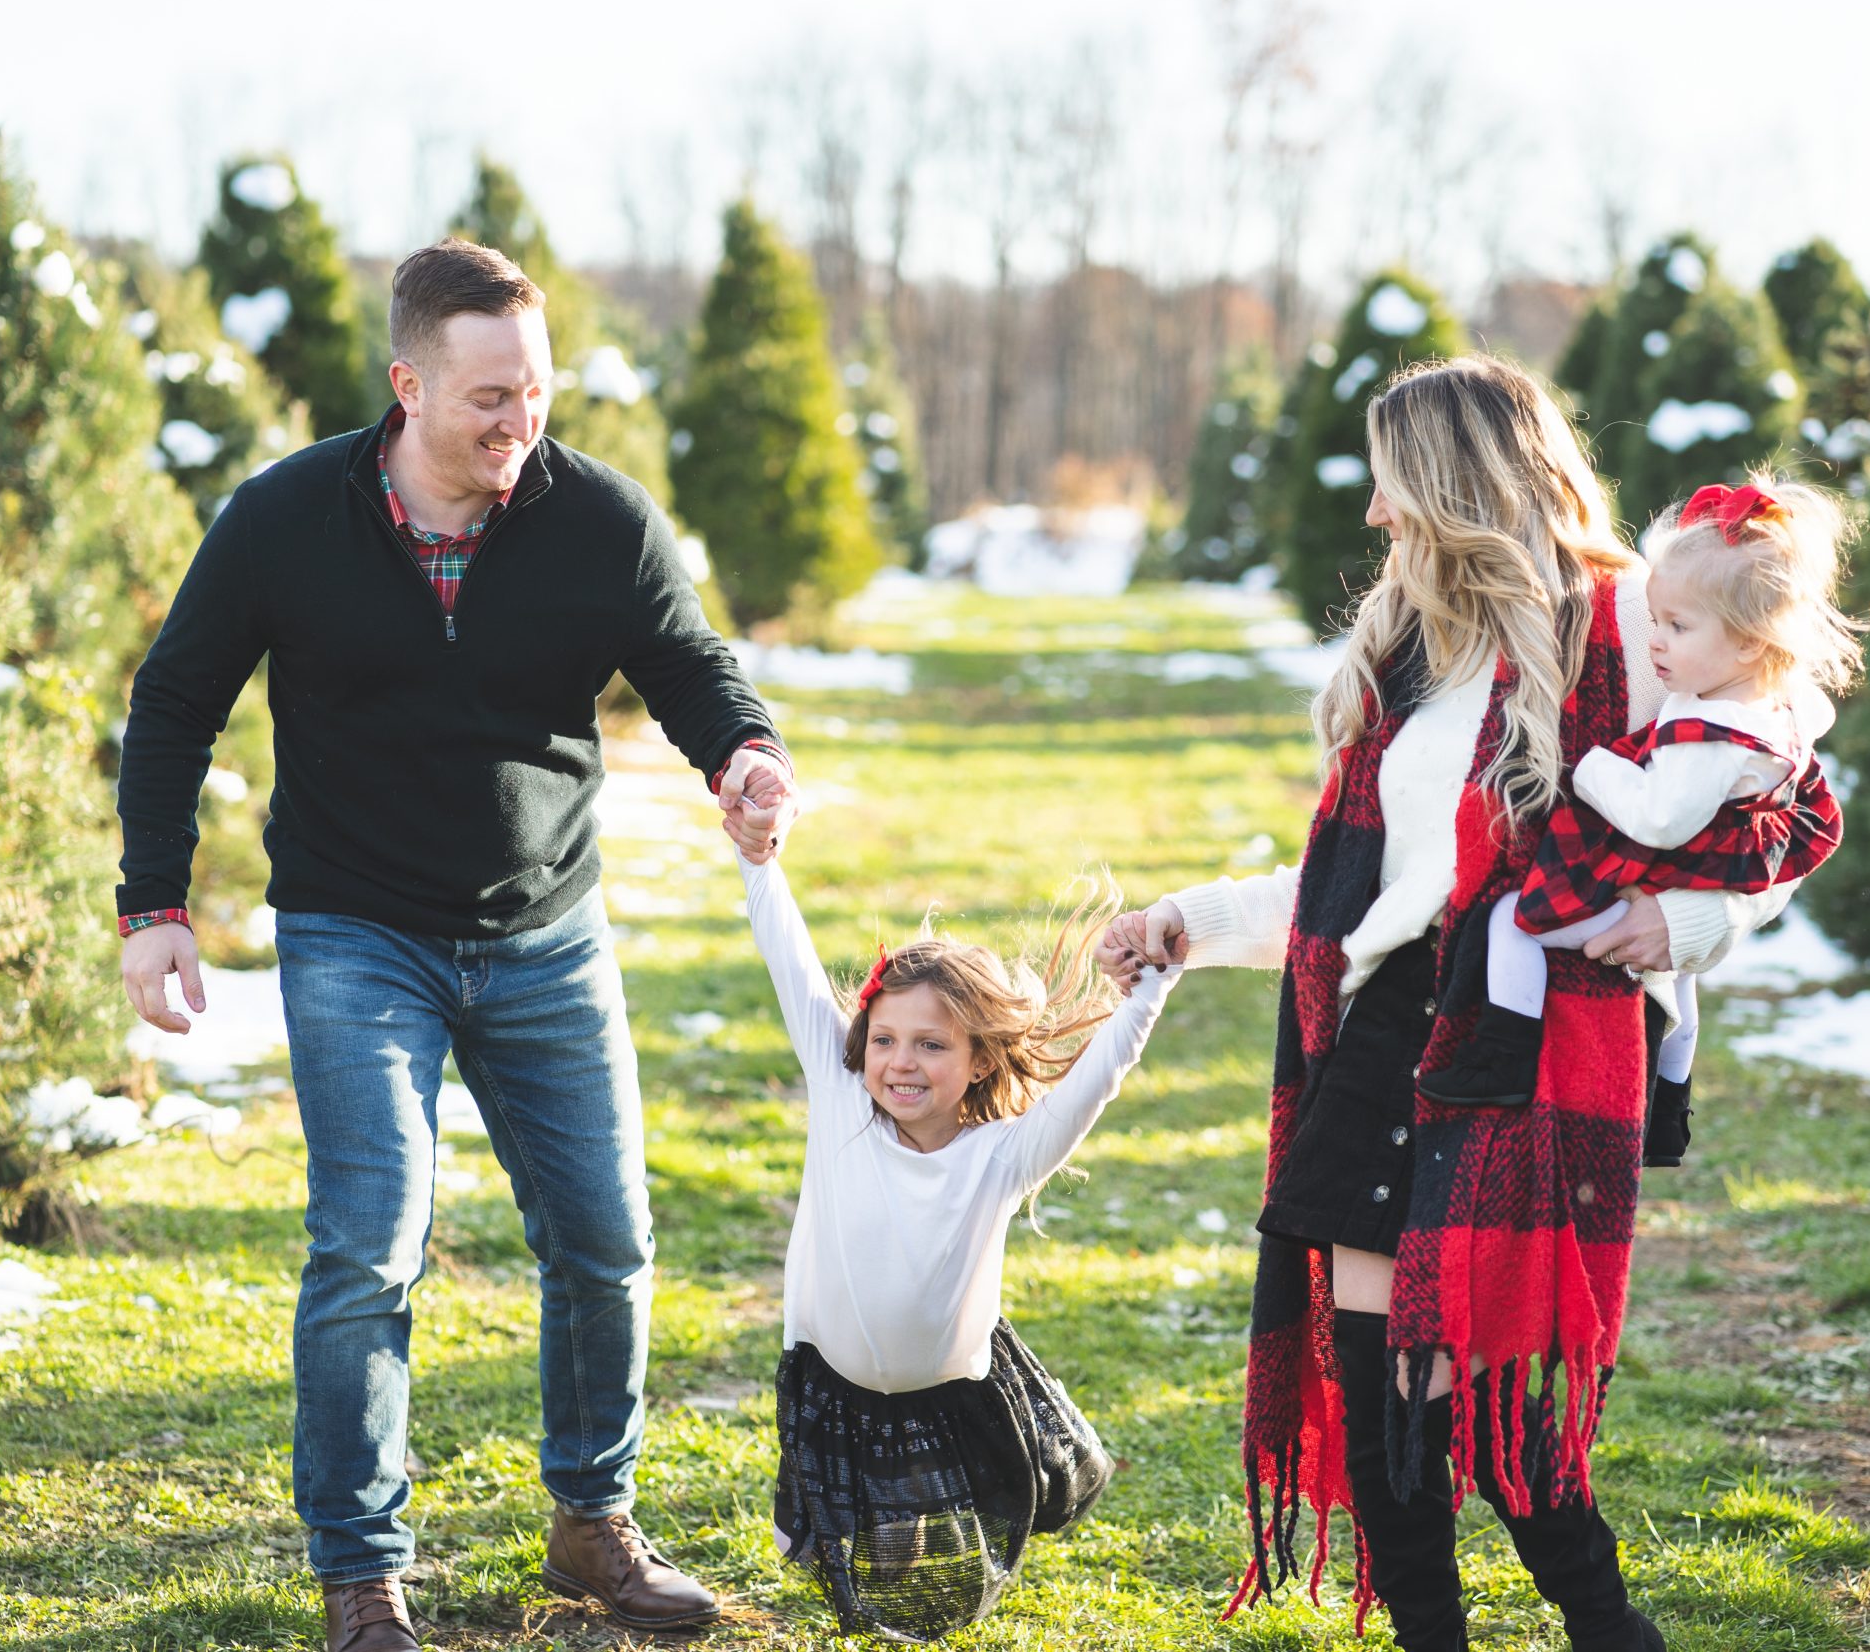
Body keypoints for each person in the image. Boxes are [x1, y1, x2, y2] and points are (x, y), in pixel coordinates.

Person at [115, 239, 797, 1651]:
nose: (518, 422)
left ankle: (592, 1521)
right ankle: (362, 1570)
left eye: (535, 391)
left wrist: (743, 752)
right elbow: (177, 698)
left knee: (606, 1239)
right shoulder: (286, 518)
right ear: (407, 380)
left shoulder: (594, 516)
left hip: (546, 931)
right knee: (370, 1242)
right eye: (489, 395)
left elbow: (688, 657)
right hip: (357, 930)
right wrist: (155, 905)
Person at [1101, 358, 1798, 1652]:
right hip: (1382, 1038)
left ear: (1459, 485)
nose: (1374, 515)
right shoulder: (1412, 648)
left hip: (1524, 1045)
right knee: (1388, 1408)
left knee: (1503, 1414)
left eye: (1392, 482)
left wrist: (1681, 922)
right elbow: (1351, 893)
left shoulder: (1633, 623)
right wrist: (1183, 920)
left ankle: (1609, 1628)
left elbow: (1777, 809)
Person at [727, 792, 1176, 1641]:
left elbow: (1096, 1082)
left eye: (932, 1045)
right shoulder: (841, 1101)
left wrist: (1152, 985)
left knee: (956, 1569)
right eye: (887, 1038)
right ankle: (875, 1521)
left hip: (954, 1388)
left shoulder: (1000, 1153)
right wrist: (758, 858)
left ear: (976, 1062)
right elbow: (787, 956)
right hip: (836, 1378)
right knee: (852, 1567)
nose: (902, 1062)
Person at [1419, 478, 1868, 1109]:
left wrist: (1589, 768)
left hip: (1652, 876)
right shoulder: (1771, 709)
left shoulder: (1709, 736)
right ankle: (1671, 1099)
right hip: (1688, 884)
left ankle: (1502, 1054)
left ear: (1748, 640)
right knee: (1674, 980)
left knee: (1509, 921)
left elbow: (1658, 817)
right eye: (1656, 621)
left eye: (1678, 627)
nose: (1655, 639)